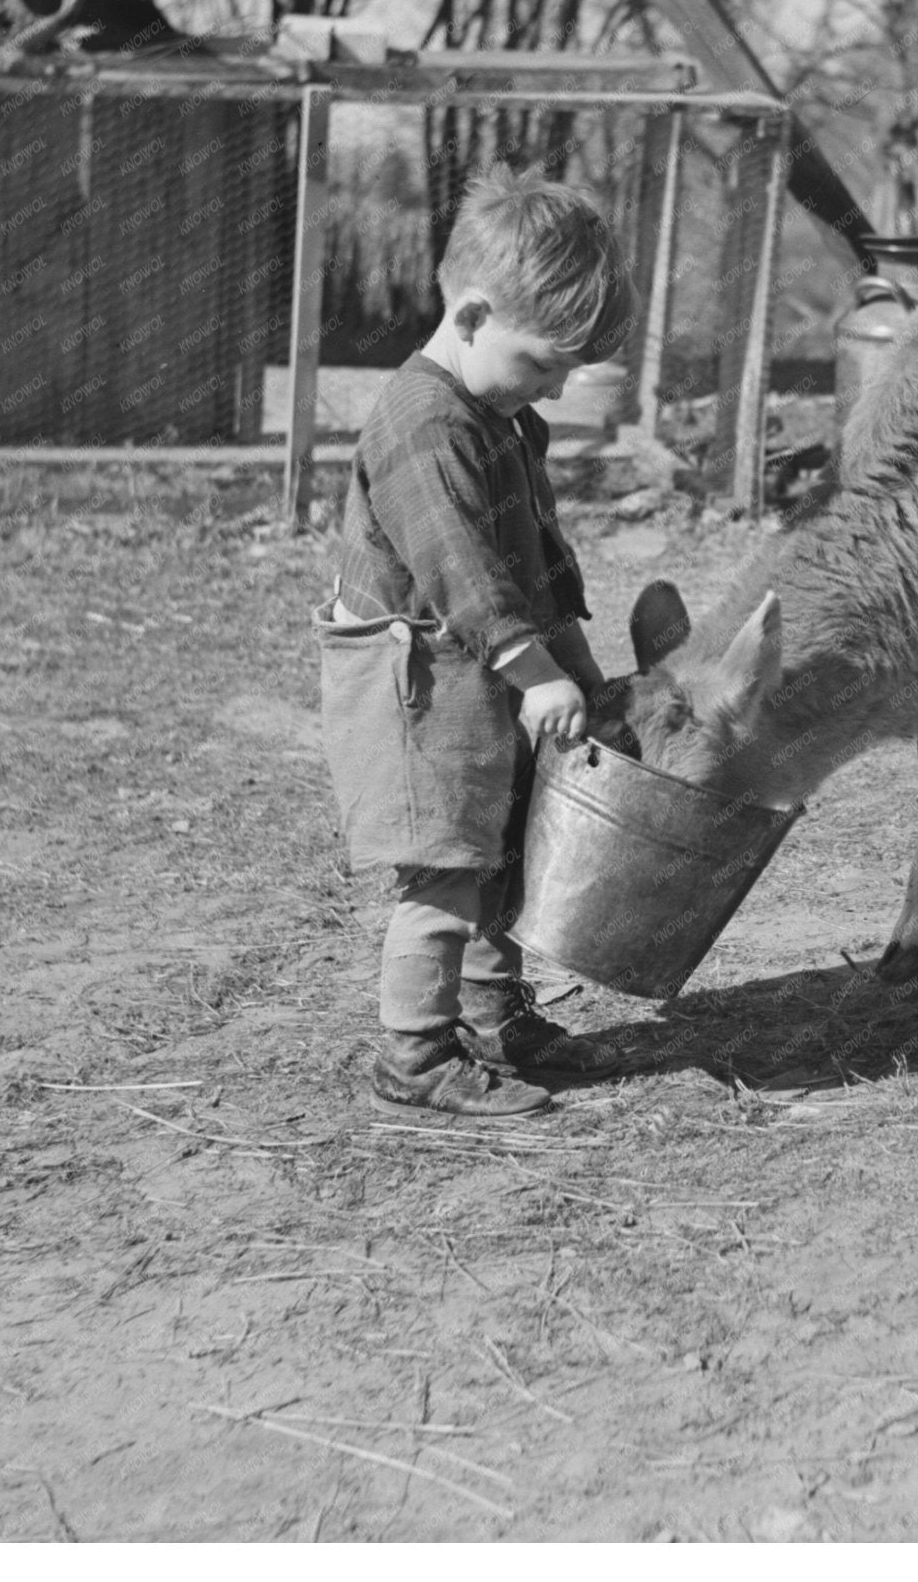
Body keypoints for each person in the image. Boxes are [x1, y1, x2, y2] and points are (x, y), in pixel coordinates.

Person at [316, 163, 633, 1119]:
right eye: (542, 362)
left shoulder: (502, 416)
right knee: (447, 868)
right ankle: (414, 1057)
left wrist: (570, 661)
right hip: (420, 680)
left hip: (481, 668)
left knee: (502, 849)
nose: (555, 386)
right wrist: (532, 670)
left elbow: (534, 554)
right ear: (469, 315)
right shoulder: (422, 424)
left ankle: (494, 1018)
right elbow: (459, 568)